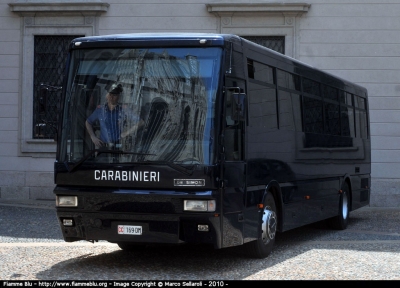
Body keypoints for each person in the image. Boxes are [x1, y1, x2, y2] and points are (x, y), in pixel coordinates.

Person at [85, 83, 142, 149]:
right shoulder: (100, 110)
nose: (111, 97)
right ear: (107, 95)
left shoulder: (124, 110)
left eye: (114, 95)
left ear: (118, 96)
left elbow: (140, 122)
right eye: (110, 94)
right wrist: (93, 137)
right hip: (103, 147)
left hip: (119, 147)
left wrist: (126, 133)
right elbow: (88, 122)